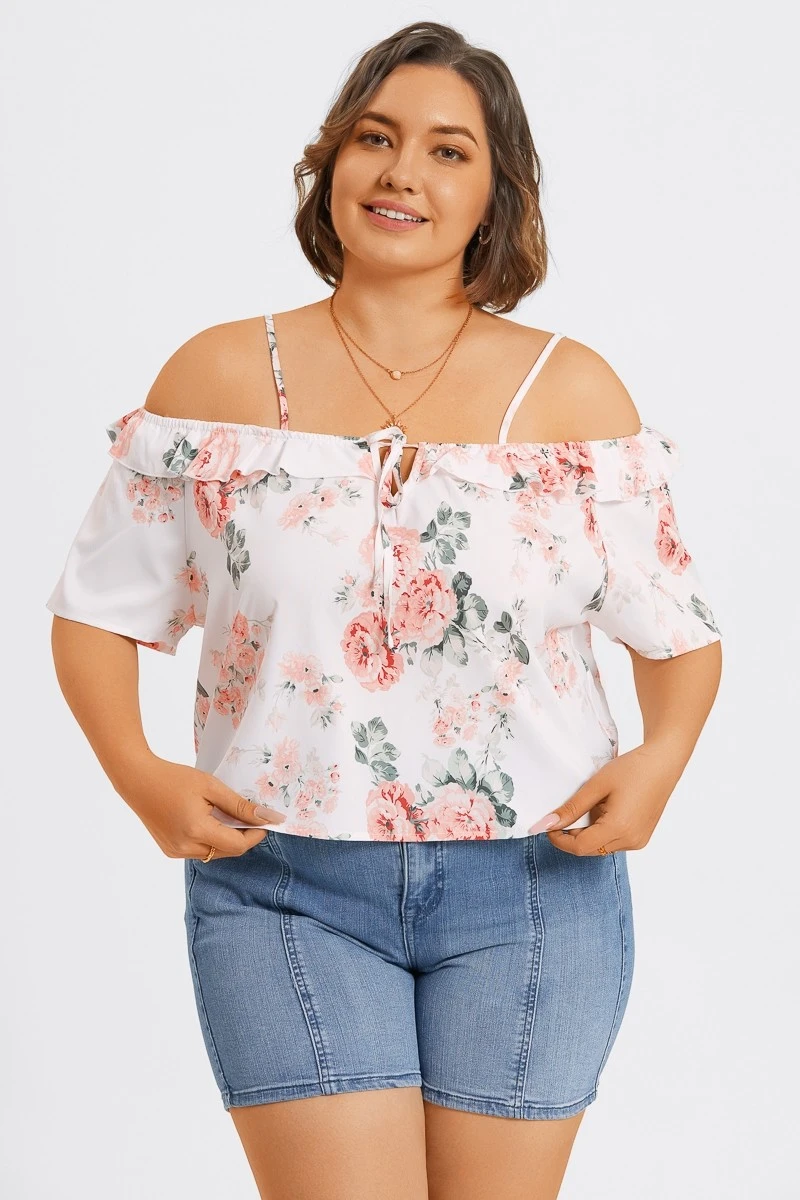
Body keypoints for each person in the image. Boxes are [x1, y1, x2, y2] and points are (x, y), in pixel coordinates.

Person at [45, 20, 723, 1200]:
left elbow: (677, 631)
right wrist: (137, 772)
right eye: (374, 138)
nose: (401, 171)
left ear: (495, 195)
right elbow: (96, 608)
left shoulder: (570, 391)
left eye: (448, 151)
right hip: (281, 883)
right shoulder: (213, 381)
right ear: (330, 162)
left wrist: (660, 758)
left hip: (536, 886)